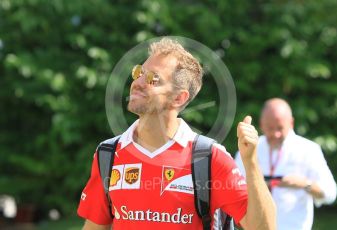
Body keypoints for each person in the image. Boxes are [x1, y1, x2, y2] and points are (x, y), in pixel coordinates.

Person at [77, 38, 276, 230]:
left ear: (178, 98)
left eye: (152, 79)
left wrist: (250, 163)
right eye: (139, 72)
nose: (137, 82)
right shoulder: (108, 154)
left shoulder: (209, 157)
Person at [235, 98, 337, 230]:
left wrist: (305, 184)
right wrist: (256, 184)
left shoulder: (309, 149)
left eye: (280, 128)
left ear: (291, 123)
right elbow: (233, 186)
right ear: (261, 124)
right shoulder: (249, 146)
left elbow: (330, 193)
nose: (275, 134)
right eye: (270, 128)